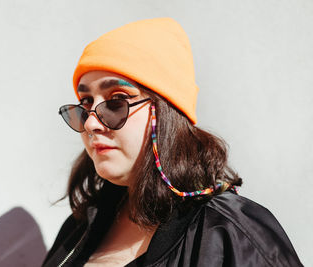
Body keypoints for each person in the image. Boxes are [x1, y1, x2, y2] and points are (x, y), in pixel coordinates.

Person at [42, 18, 302, 267]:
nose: (90, 123)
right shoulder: (80, 227)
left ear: (165, 112)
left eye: (116, 101)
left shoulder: (229, 231)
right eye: (86, 103)